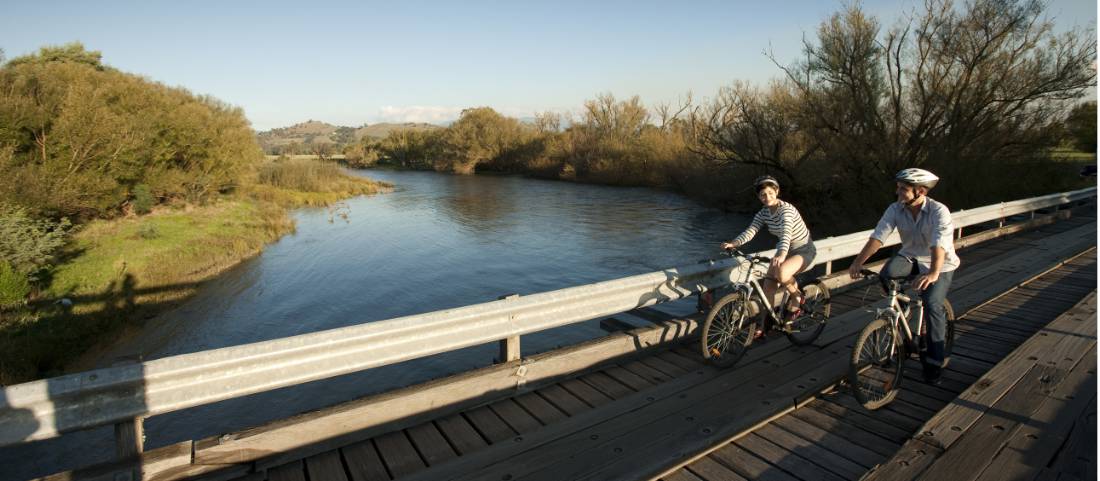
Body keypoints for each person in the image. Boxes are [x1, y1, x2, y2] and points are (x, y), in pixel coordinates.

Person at [847, 168, 960, 385]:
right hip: (910, 257)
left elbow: (939, 245)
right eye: (898, 187)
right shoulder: (895, 209)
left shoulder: (939, 211)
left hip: (941, 263)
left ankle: (935, 361)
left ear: (920, 192)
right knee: (886, 275)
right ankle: (902, 315)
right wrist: (858, 262)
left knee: (932, 303)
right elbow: (878, 237)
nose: (898, 192)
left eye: (903, 189)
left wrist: (934, 273)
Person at [721, 175, 817, 324]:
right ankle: (766, 323)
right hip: (784, 249)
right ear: (759, 197)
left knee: (783, 272)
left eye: (770, 193)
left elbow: (786, 233)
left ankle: (797, 297)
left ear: (777, 191)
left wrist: (781, 254)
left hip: (803, 249)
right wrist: (734, 243)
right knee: (768, 289)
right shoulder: (763, 213)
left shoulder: (787, 210)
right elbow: (751, 230)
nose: (767, 197)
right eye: (763, 195)